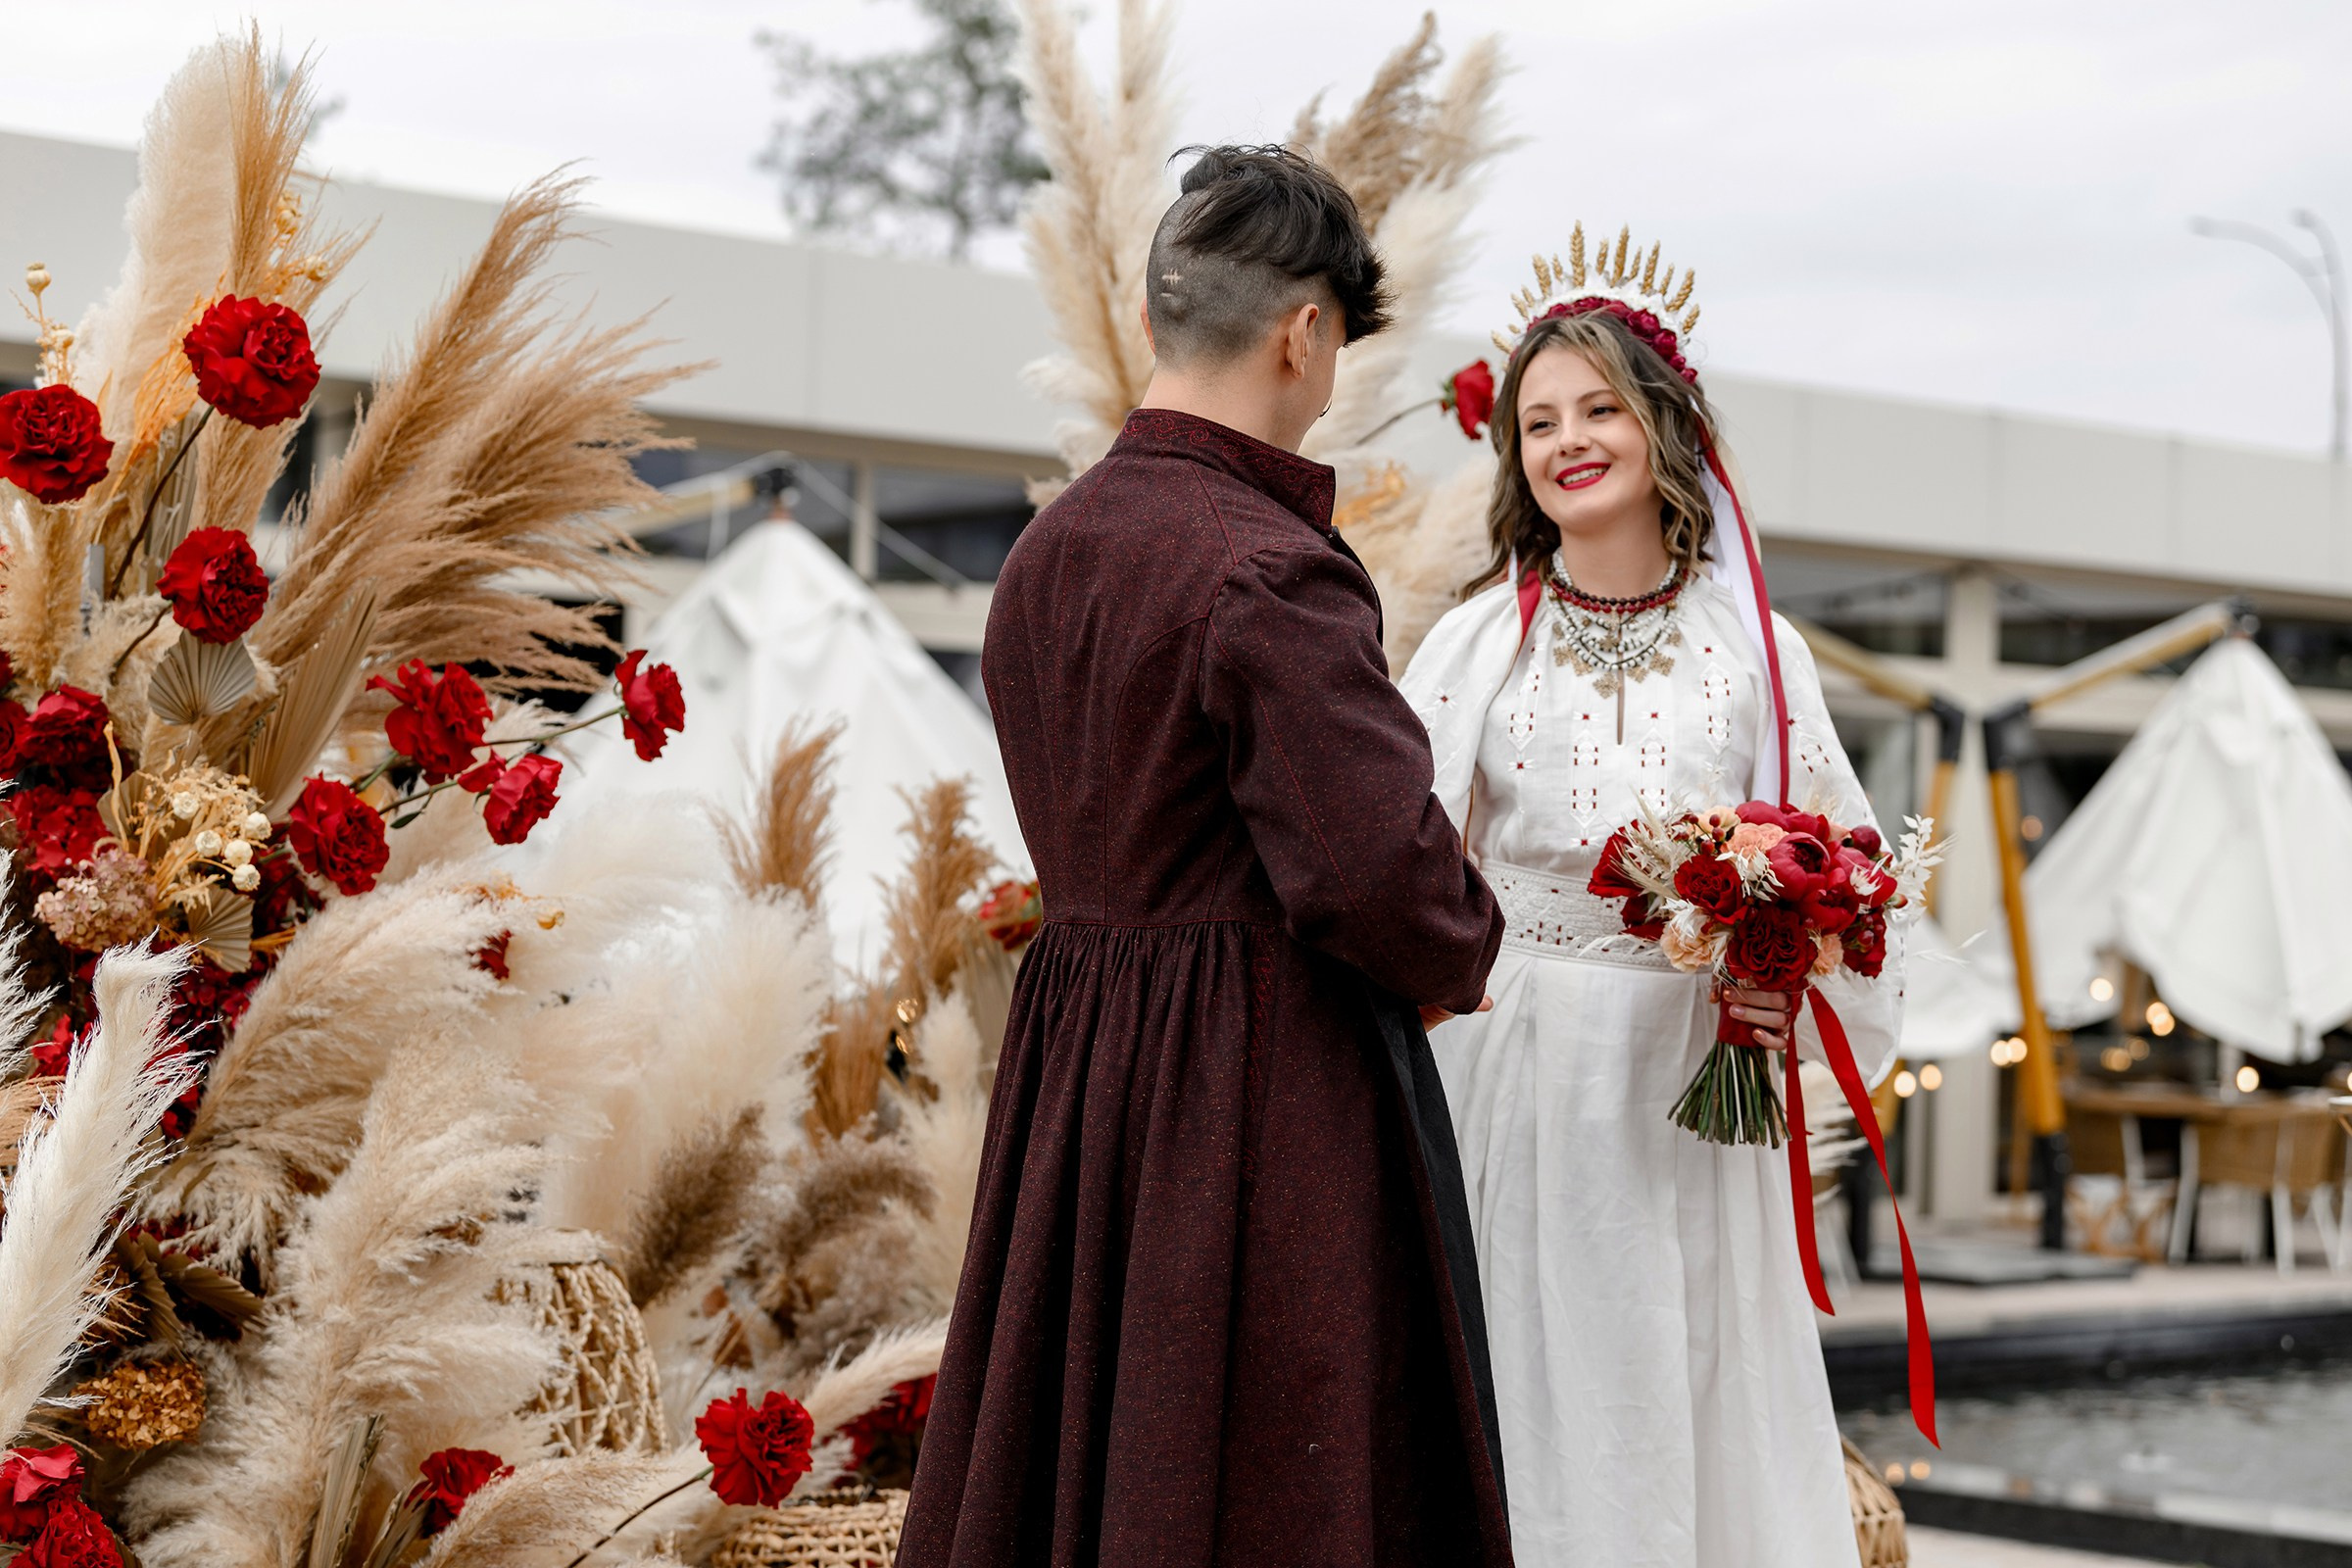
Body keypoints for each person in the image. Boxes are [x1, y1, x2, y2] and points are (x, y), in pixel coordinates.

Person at [898, 146, 1514, 1568]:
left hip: (1081, 1067)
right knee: (1259, 1484)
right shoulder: (1266, 565)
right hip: (1253, 1086)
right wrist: (1462, 951)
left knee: (1093, 1463)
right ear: (1306, 332)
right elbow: (1376, 878)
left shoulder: (1048, 556)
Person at [1397, 241, 1909, 1568]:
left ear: (1663, 423)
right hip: (1507, 1067)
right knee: (1511, 1373)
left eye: (1599, 408)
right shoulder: (1471, 642)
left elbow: (1847, 875)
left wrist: (1780, 973)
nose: (1570, 441)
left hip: (1690, 1082)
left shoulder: (1756, 653)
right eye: (1539, 421)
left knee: (1675, 1383)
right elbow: (1399, 867)